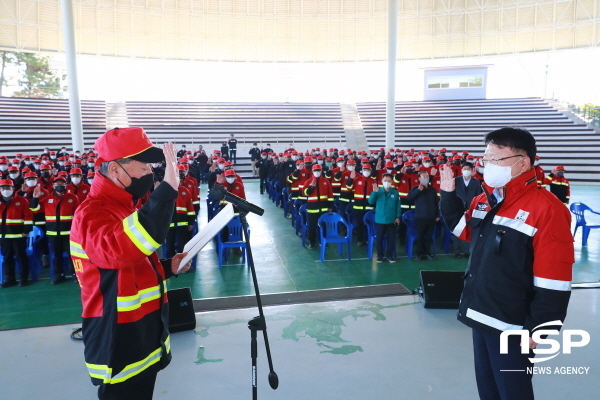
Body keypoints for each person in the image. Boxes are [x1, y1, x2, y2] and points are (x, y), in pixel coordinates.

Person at [439, 127, 574, 400]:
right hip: (481, 312)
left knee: (513, 392)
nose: (487, 165)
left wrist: (541, 327)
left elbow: (554, 276)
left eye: (495, 159)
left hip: (514, 326)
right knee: (488, 389)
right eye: (485, 159)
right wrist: (447, 194)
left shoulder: (547, 208)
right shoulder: (487, 199)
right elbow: (460, 229)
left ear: (522, 162)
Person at [69, 127, 191, 400]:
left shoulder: (123, 205)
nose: (150, 172)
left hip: (140, 332)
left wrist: (166, 267)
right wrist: (167, 190)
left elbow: (130, 265)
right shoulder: (93, 212)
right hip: (118, 335)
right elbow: (120, 249)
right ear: (115, 170)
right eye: (144, 165)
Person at [0, 179, 33, 287]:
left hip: (19, 235)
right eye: (3, 188)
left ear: (13, 189)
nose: (5, 190)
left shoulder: (22, 200)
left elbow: (28, 216)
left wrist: (26, 230)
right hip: (3, 235)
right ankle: (10, 278)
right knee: (7, 257)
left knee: (21, 256)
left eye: (8, 188)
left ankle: (23, 278)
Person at [406, 170, 440, 261]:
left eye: (427, 176)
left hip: (432, 217)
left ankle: (428, 254)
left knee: (429, 237)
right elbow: (409, 198)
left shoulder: (432, 189)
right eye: (423, 177)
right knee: (420, 237)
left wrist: (437, 215)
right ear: (419, 179)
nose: (425, 178)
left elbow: (436, 203)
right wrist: (418, 191)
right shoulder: (415, 188)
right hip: (420, 217)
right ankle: (419, 254)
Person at [451, 161, 482, 258]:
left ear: (472, 171)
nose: (466, 171)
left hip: (471, 210)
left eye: (468, 169)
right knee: (457, 229)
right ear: (461, 170)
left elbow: (478, 197)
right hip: (458, 209)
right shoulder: (456, 180)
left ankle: (467, 251)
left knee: (470, 230)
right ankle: (457, 251)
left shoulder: (476, 182)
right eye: (465, 169)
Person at [367, 174, 401, 263]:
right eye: (385, 180)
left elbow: (398, 206)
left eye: (389, 180)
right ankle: (380, 256)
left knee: (391, 238)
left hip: (391, 220)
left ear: (392, 182)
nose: (387, 182)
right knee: (380, 238)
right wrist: (374, 192)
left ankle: (390, 255)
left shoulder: (395, 193)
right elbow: (370, 202)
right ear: (382, 181)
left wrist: (397, 217)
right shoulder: (378, 192)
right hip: (380, 220)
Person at [303, 164, 334, 249]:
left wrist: (330, 207)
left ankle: (324, 241)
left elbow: (330, 195)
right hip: (312, 209)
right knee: (312, 227)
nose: (317, 172)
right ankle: (312, 242)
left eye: (318, 170)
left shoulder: (326, 181)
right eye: (315, 170)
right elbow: (305, 193)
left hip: (324, 209)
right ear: (312, 171)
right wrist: (311, 186)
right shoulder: (308, 182)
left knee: (324, 226)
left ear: (321, 171)